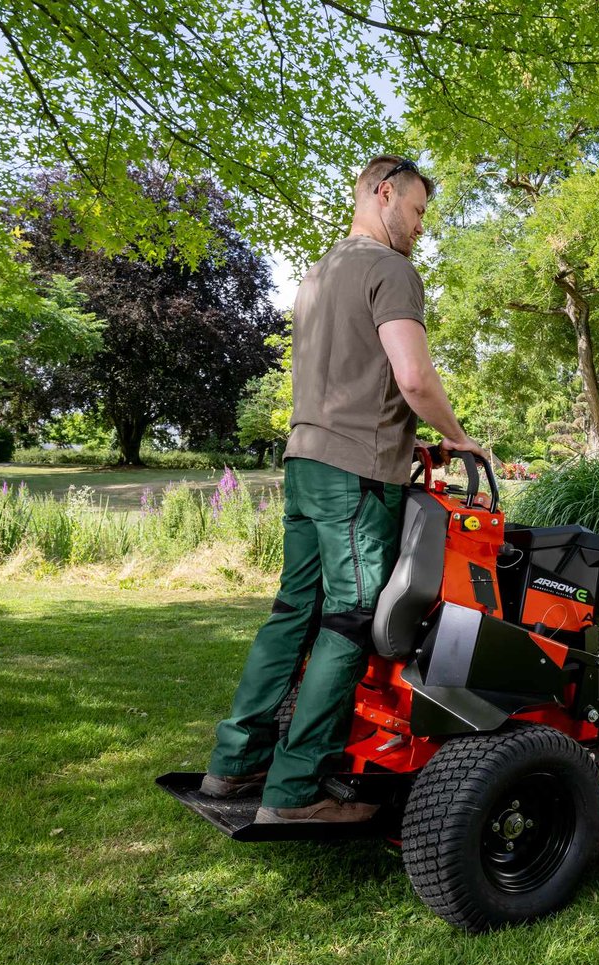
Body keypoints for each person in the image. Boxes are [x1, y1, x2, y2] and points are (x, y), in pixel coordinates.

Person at [200, 154, 485, 825]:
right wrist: (459, 436)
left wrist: (402, 435)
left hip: (306, 463)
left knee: (292, 612)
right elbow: (412, 377)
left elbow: (350, 381)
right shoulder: (391, 270)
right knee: (351, 619)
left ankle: (234, 766)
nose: (419, 229)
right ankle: (297, 793)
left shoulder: (319, 274)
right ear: (383, 192)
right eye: (416, 211)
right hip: (357, 477)